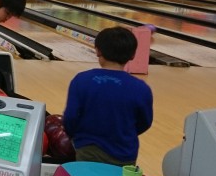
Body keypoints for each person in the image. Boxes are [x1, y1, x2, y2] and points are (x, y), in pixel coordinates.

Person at [62, 26, 154, 166]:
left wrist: (77, 137)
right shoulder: (141, 88)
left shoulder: (81, 80)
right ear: (133, 55)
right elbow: (145, 122)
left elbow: (70, 117)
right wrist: (124, 134)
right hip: (124, 152)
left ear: (98, 51)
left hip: (88, 149)